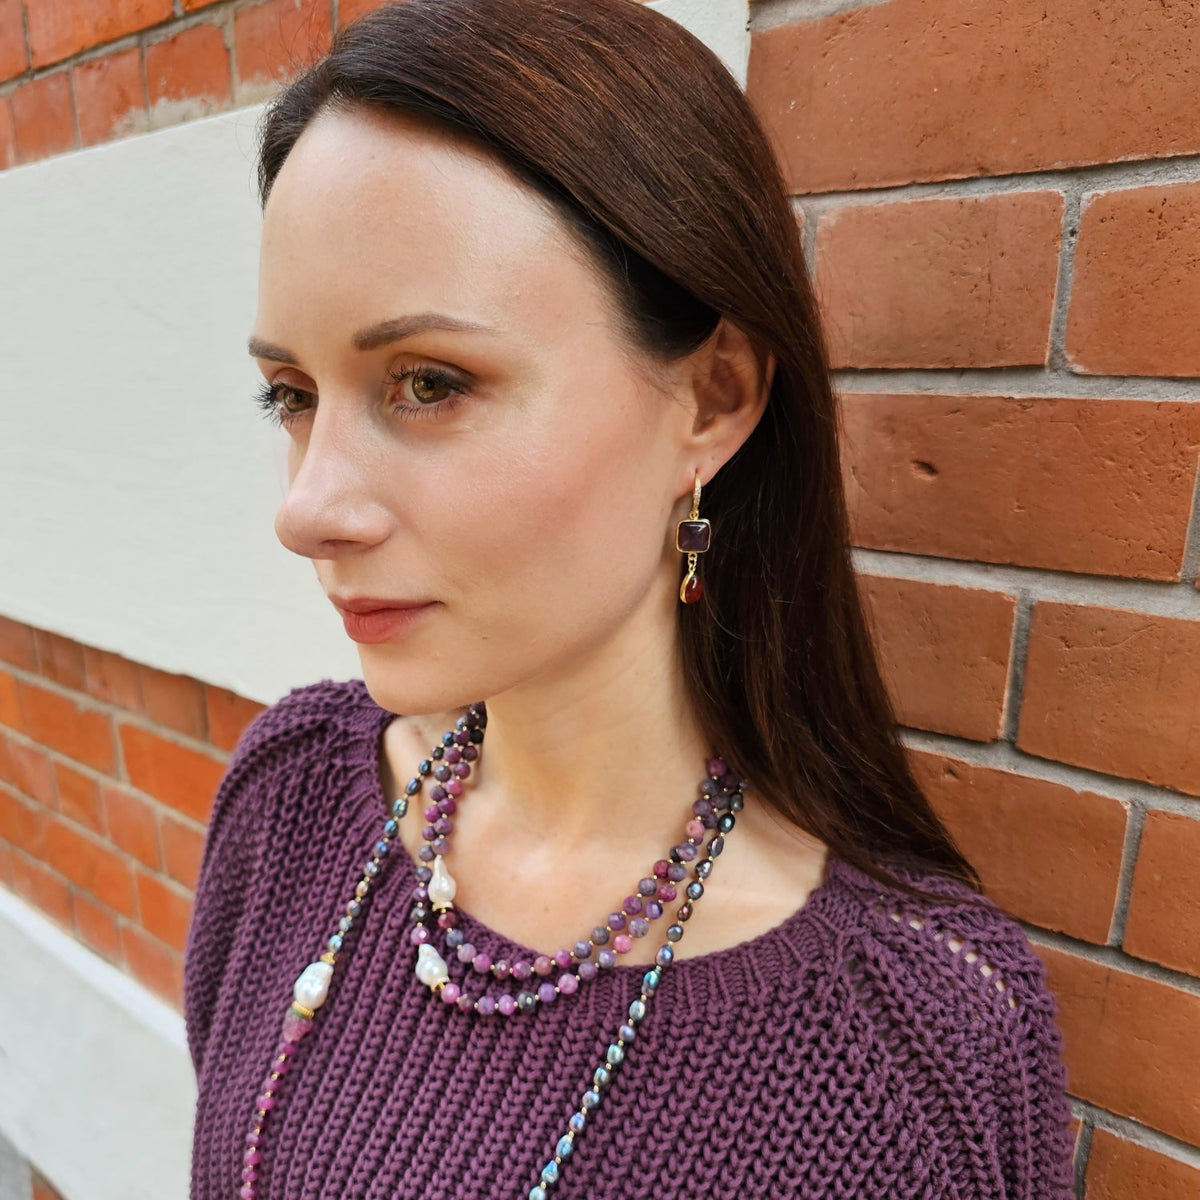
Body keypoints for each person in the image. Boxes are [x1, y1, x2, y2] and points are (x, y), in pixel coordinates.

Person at [183, 0, 1077, 1196]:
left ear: (710, 400)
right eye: (292, 394)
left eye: (430, 382)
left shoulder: (910, 1048)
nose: (308, 508)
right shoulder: (290, 807)